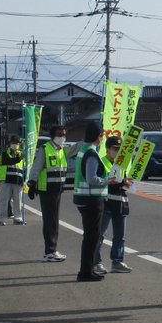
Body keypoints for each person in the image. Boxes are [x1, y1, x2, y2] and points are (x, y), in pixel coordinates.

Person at [72, 121, 108, 282]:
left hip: (84, 198)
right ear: (98, 136)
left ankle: (87, 270)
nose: (103, 139)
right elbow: (91, 178)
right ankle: (85, 272)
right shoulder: (92, 153)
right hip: (91, 200)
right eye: (102, 135)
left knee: (90, 237)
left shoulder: (83, 150)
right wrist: (109, 180)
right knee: (91, 237)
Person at [27, 125, 69, 262]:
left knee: (54, 220)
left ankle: (52, 250)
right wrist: (32, 184)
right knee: (50, 220)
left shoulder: (61, 150)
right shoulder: (45, 149)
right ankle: (49, 252)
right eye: (59, 134)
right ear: (52, 136)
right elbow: (36, 167)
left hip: (57, 189)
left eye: (64, 134)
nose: (62, 137)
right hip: (47, 189)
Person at [94, 134, 132, 275]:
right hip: (105, 203)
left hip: (120, 203)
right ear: (108, 149)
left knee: (120, 236)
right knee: (100, 234)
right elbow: (103, 181)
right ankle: (96, 262)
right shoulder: (101, 162)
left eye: (120, 149)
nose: (117, 151)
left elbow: (124, 182)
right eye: (115, 148)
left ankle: (117, 261)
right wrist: (121, 182)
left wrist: (128, 184)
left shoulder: (122, 164)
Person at [0, 135, 26, 225]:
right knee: (4, 200)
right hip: (6, 180)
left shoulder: (21, 154)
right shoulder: (4, 154)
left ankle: (18, 218)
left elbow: (24, 168)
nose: (15, 145)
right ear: (10, 144)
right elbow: (9, 161)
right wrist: (19, 158)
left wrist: (24, 180)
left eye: (17, 143)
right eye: (13, 143)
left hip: (18, 180)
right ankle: (2, 219)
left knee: (18, 200)